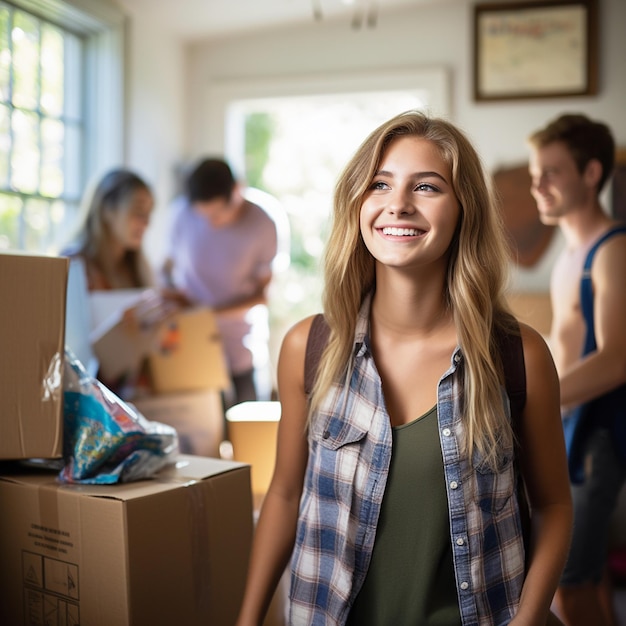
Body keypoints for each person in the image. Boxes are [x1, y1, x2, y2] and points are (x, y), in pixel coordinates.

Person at [236, 110, 573, 625]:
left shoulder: (518, 357)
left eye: (427, 187)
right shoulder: (308, 347)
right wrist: (247, 619)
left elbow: (553, 507)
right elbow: (284, 494)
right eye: (380, 184)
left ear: (464, 211)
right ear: (358, 204)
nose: (398, 204)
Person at [528, 114, 626, 626]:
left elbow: (617, 358)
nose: (536, 184)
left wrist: (530, 399)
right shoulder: (570, 255)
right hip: (568, 427)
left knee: (567, 582)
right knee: (590, 576)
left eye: (551, 172)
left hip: (596, 435)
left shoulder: (615, 250)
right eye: (534, 172)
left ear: (591, 174)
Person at [162, 158, 278, 408]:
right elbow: (167, 267)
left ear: (236, 192)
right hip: (192, 342)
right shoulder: (181, 214)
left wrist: (207, 314)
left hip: (241, 343)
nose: (210, 222)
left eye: (216, 214)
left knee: (246, 430)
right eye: (203, 215)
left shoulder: (263, 223)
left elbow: (262, 295)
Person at [63, 168, 155, 290]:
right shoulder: (73, 265)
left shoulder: (137, 271)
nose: (147, 222)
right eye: (138, 211)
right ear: (107, 209)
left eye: (148, 213)